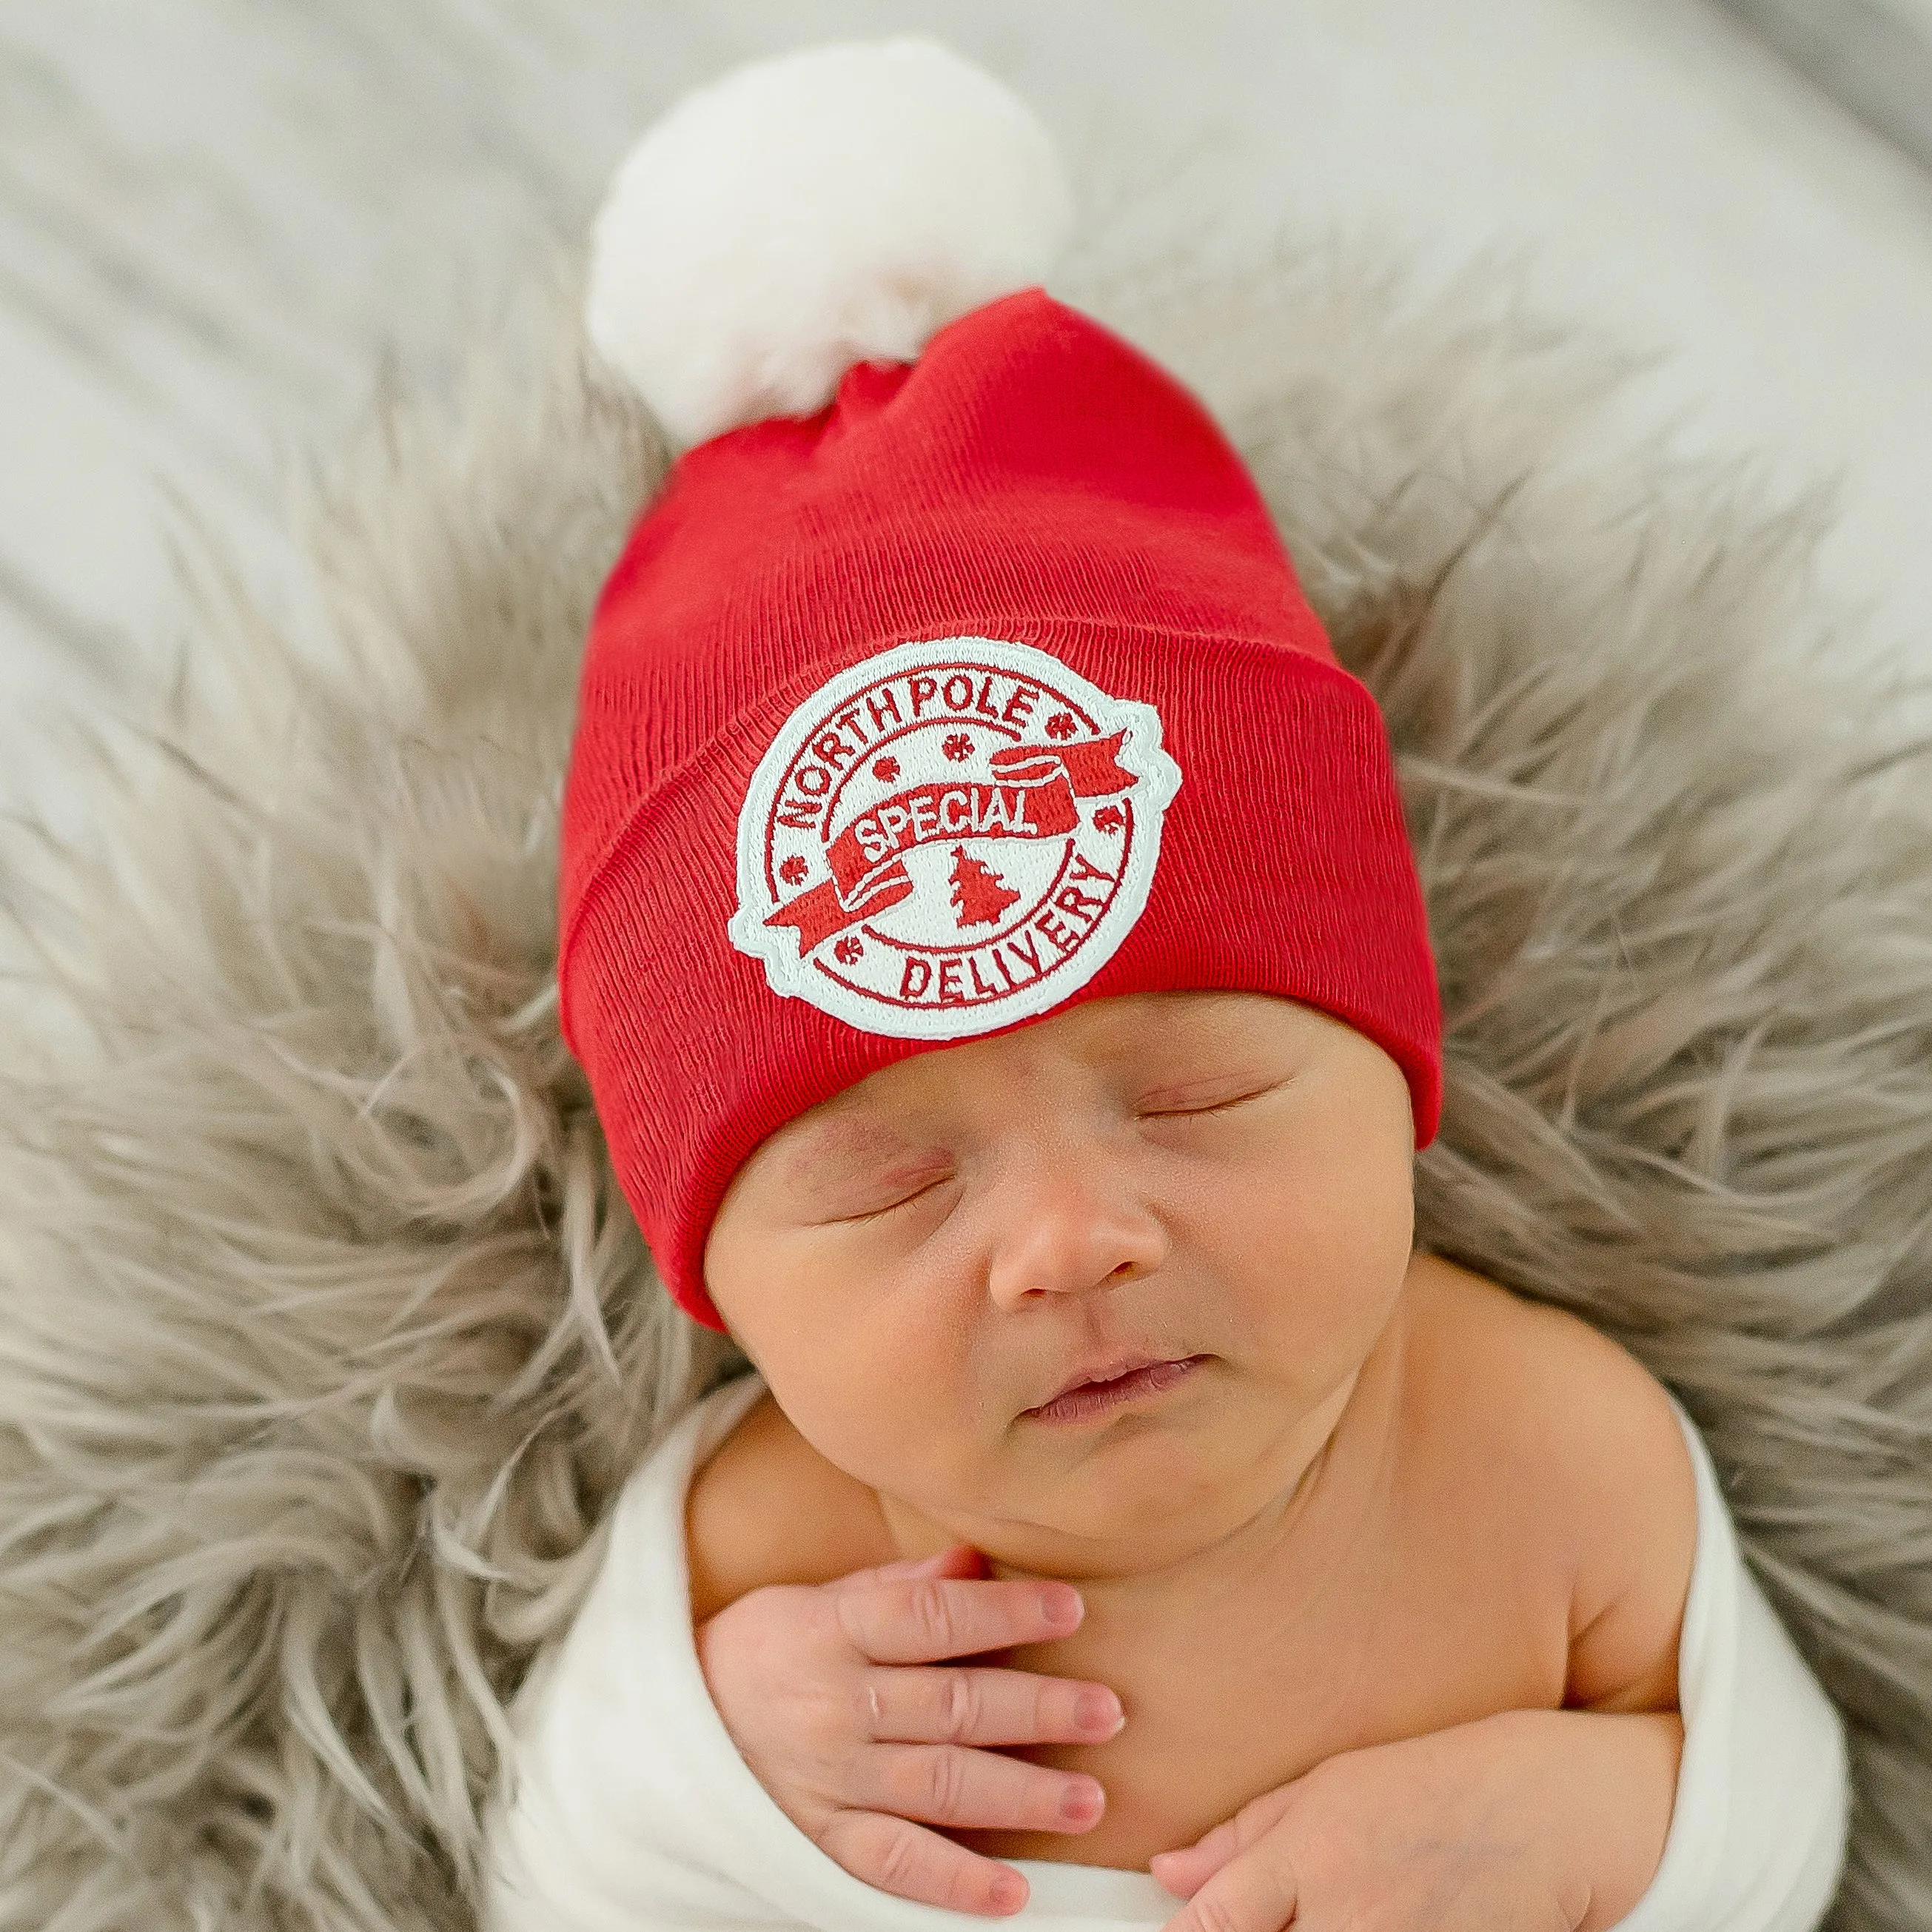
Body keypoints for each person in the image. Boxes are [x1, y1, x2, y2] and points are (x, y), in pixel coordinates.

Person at [480, 36, 1849, 1932]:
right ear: (724, 1289)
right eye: (887, 1184)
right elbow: (540, 1861)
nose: (1069, 1242)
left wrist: (1615, 1815)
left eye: (1199, 1098)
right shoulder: (756, 1567)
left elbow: (1797, 1834)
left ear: (1394, 1074)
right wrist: (703, 1744)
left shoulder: (1554, 1465)